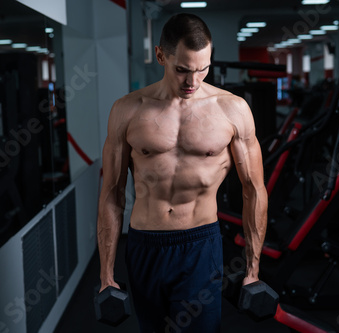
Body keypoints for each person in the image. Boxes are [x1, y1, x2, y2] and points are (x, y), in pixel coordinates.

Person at [97, 13, 268, 333]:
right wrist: (106, 274)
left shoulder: (232, 109)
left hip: (198, 245)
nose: (193, 81)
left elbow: (253, 189)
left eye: (203, 68)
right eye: (183, 70)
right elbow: (112, 193)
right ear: (161, 55)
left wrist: (253, 268)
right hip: (144, 244)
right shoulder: (128, 109)